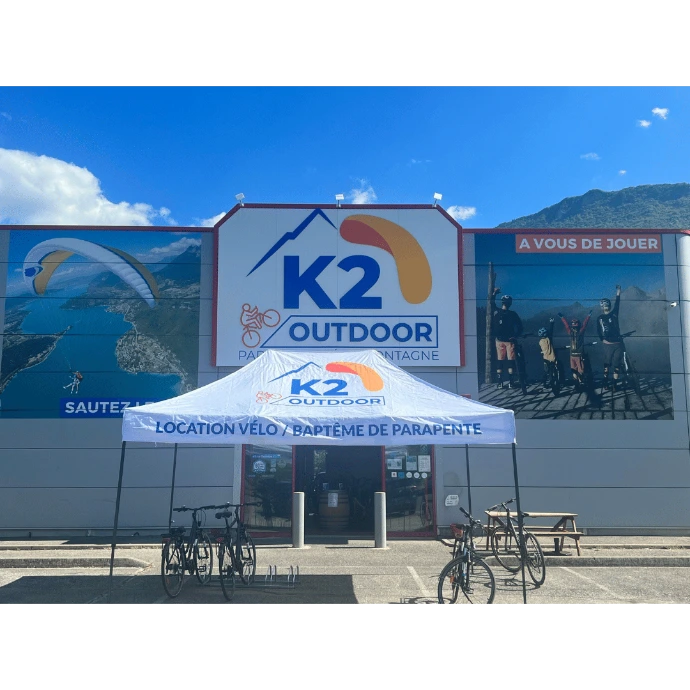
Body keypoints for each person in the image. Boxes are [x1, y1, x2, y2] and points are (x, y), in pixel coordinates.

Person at [491, 288, 523, 389]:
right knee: (510, 361)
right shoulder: (513, 314)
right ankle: (511, 382)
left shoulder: (497, 312)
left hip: (499, 340)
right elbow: (520, 327)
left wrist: (494, 293)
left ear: (502, 303)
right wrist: (516, 336)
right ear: (510, 303)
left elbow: (492, 304)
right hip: (510, 341)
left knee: (500, 360)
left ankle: (500, 382)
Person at [597, 285, 623, 391]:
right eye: (604, 305)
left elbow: (617, 302)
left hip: (616, 344)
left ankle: (613, 384)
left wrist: (618, 292)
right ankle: (607, 382)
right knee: (608, 365)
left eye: (606, 305)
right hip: (609, 344)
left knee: (615, 365)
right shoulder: (600, 318)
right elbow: (598, 330)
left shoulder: (614, 314)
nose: (605, 307)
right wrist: (602, 339)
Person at [559, 311, 593, 391]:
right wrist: (588, 316)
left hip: (572, 355)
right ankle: (581, 383)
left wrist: (562, 317)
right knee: (580, 370)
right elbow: (585, 324)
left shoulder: (570, 332)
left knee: (574, 370)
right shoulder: (581, 332)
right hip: (579, 354)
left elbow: (566, 325)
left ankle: (576, 384)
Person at [537, 318, 557, 389]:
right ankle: (552, 382)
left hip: (545, 358)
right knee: (552, 370)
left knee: (546, 371)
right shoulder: (549, 339)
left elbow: (541, 350)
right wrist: (552, 323)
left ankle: (544, 383)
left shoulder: (540, 342)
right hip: (552, 357)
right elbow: (551, 331)